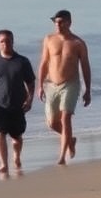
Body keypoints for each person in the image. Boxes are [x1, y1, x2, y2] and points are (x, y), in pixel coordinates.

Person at [38, 9, 91, 165]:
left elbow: (86, 67)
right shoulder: (49, 39)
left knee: (65, 117)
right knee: (51, 123)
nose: (58, 25)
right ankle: (70, 139)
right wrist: (39, 85)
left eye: (61, 22)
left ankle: (61, 157)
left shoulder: (78, 43)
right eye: (55, 22)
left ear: (69, 22)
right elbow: (43, 63)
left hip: (70, 83)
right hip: (51, 84)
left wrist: (88, 90)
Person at [0, 29, 36, 175]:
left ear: (13, 41)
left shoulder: (22, 61)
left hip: (17, 105)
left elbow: (30, 83)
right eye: (2, 41)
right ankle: (4, 164)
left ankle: (16, 156)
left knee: (17, 137)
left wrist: (30, 99)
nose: (5, 44)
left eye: (8, 40)